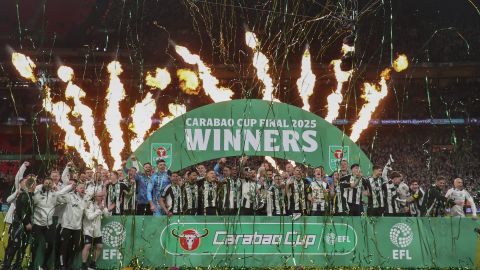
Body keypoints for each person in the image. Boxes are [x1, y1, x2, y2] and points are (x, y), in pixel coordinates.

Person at [31, 178, 73, 269]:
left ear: (52, 184)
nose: (48, 184)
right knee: (36, 244)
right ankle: (32, 264)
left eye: (50, 183)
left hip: (49, 225)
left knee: (49, 245)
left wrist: (58, 190)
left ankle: (44, 264)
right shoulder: (37, 193)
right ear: (43, 183)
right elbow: (32, 203)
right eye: (46, 182)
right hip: (37, 224)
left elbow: (66, 200)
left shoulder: (54, 195)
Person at [2, 176, 35, 270]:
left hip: (26, 224)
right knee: (13, 245)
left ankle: (17, 265)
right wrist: (26, 222)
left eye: (28, 182)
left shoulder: (31, 195)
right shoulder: (21, 194)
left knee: (23, 245)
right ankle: (6, 265)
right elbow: (19, 209)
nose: (27, 183)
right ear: (20, 184)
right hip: (18, 224)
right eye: (25, 182)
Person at [58, 183, 87, 270]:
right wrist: (70, 186)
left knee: (76, 247)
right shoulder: (70, 196)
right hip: (67, 226)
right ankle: (62, 265)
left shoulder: (85, 199)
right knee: (64, 247)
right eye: (81, 188)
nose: (83, 189)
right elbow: (60, 194)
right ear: (76, 189)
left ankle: (69, 265)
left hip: (77, 228)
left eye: (84, 188)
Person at [81, 191, 113, 270]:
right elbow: (90, 217)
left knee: (99, 246)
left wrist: (107, 208)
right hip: (88, 229)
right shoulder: (89, 204)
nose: (101, 198)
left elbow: (107, 215)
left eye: (102, 196)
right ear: (95, 197)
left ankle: (93, 263)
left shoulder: (101, 204)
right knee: (88, 246)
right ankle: (84, 264)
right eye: (100, 196)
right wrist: (99, 210)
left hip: (97, 230)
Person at [4, 161, 29, 226]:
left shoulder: (30, 192)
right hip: (12, 218)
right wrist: (23, 166)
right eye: (23, 181)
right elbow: (18, 177)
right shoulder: (18, 189)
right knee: (11, 235)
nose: (24, 183)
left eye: (27, 182)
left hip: (25, 219)